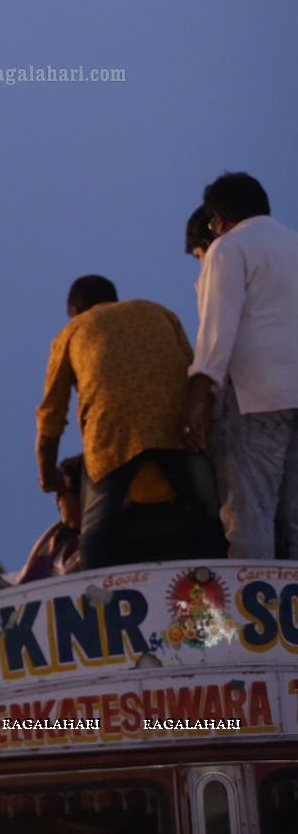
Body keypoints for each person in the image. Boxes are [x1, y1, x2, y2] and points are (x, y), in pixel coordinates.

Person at [35, 275, 226, 568]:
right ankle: (219, 590)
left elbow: (51, 413)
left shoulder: (72, 331)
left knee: (96, 533)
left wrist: (47, 473)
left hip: (112, 439)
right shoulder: (158, 312)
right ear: (114, 298)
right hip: (174, 430)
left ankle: (97, 601)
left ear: (74, 310)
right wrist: (205, 441)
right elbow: (194, 373)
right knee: (208, 516)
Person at [187, 173, 298, 558]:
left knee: (249, 517)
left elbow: (217, 331)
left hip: (254, 398)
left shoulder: (228, 248)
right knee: (293, 518)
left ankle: (255, 616)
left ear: (218, 216)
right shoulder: (293, 244)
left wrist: (195, 400)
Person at [19, 455, 84, 582]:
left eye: (60, 494)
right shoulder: (54, 541)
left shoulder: (116, 541)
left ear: (83, 495)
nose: (56, 502)